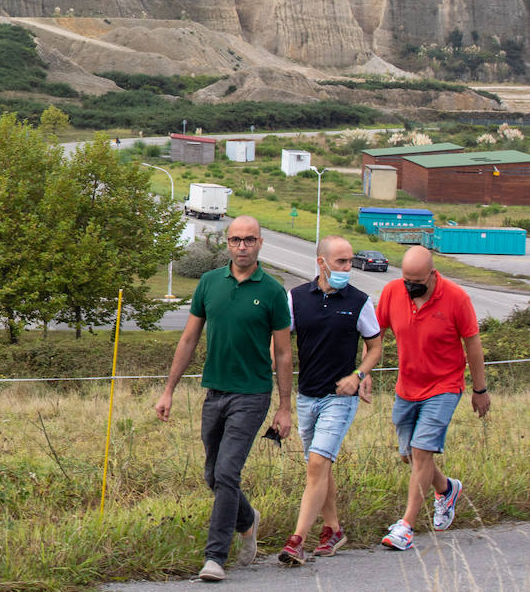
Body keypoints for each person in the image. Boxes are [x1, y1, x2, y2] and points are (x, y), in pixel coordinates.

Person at [154, 215, 293, 582]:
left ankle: (215, 557)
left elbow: (282, 353)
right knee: (214, 474)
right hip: (214, 391)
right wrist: (168, 389)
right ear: (227, 243)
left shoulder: (275, 292)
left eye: (249, 240)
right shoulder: (209, 283)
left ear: (260, 243)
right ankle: (247, 520)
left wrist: (283, 406)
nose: (242, 246)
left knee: (228, 471)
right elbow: (188, 339)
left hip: (252, 394)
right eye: (235, 240)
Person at [376, 245, 490, 551]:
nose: (410, 286)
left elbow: (473, 346)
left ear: (432, 274)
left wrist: (479, 390)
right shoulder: (391, 292)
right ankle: (447, 488)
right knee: (409, 456)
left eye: (417, 280)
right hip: (407, 387)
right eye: (405, 279)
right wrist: (364, 373)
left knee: (422, 452)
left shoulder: (456, 298)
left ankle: (406, 526)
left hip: (444, 385)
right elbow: (377, 334)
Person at [278, 235, 383, 565]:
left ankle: (297, 541)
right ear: (321, 262)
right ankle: (334, 528)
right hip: (306, 396)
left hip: (340, 398)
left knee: (318, 464)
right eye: (341, 262)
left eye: (350, 261)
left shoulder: (360, 301)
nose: (347, 268)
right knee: (318, 468)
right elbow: (280, 345)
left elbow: (376, 346)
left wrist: (359, 376)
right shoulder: (295, 299)